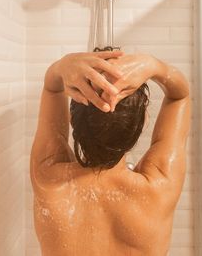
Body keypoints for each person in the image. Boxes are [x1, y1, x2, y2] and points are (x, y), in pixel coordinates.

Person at [30, 48, 191, 255]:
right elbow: (180, 96)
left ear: (72, 119)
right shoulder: (159, 187)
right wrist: (154, 65)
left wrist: (61, 66)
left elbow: (52, 88)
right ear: (141, 123)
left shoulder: (48, 178)